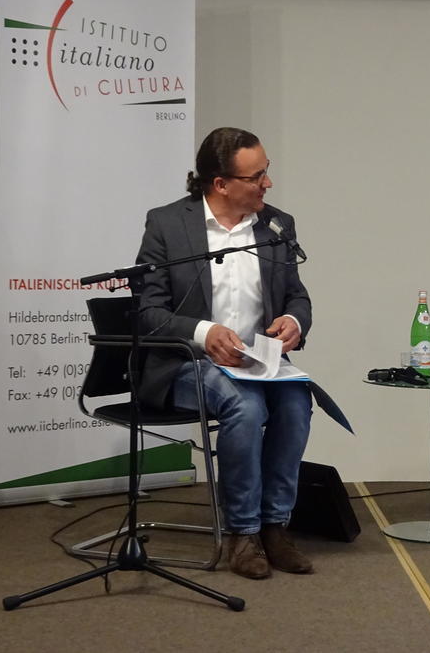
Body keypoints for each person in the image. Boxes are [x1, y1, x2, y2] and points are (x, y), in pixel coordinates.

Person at [134, 126, 315, 579]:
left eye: (266, 171)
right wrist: (203, 331)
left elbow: (297, 296)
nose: (267, 183)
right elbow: (148, 311)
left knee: (296, 402)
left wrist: (293, 321)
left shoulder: (276, 225)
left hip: (259, 361)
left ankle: (274, 526)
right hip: (186, 362)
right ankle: (242, 532)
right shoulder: (168, 224)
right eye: (256, 177)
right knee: (245, 406)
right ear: (220, 184)